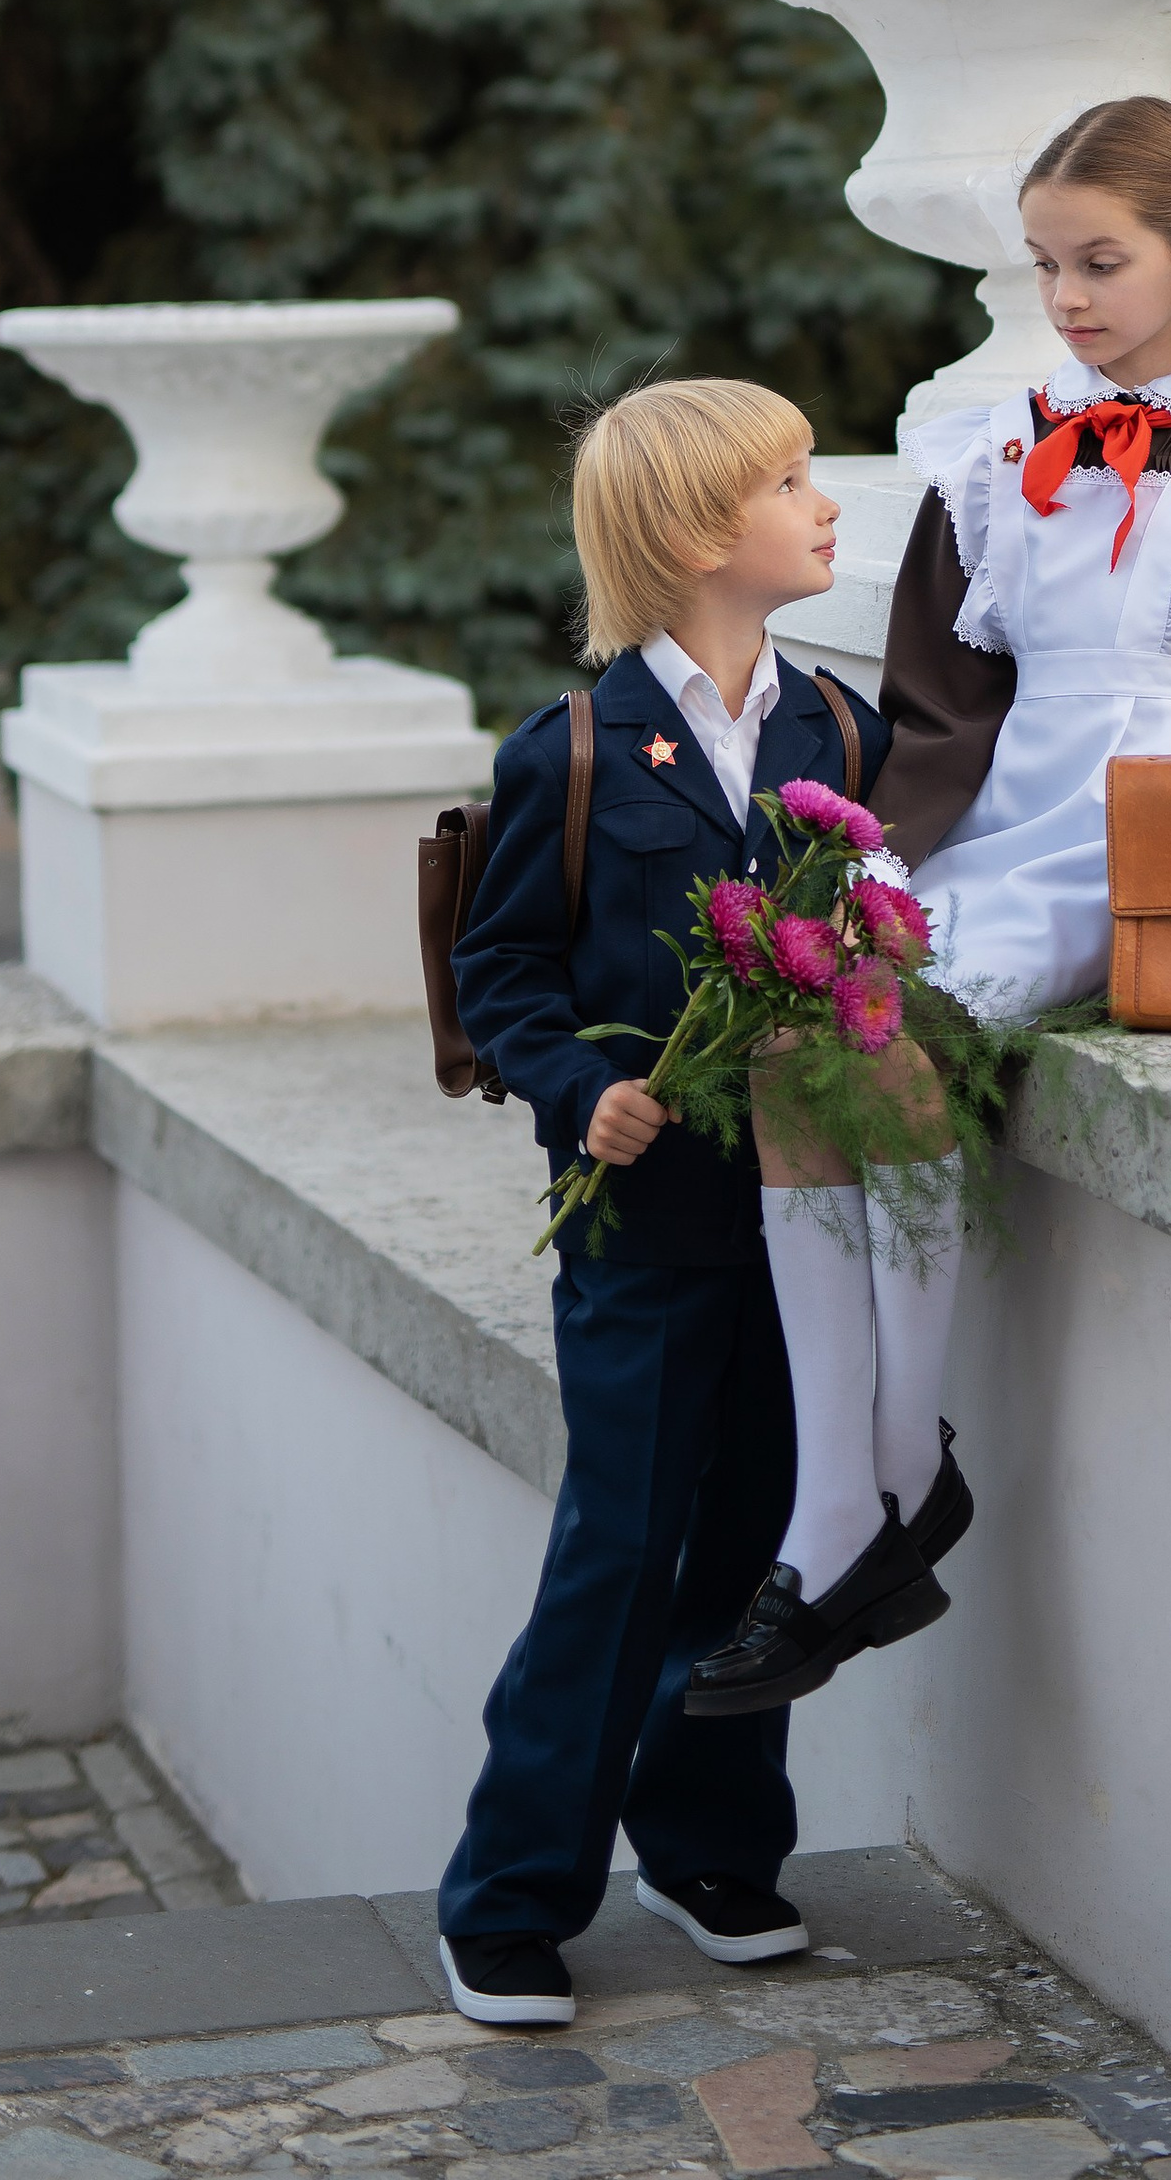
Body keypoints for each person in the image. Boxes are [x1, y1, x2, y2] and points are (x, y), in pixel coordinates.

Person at [692, 101, 1171, 1718]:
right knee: (797, 1047)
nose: (1067, 295)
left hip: (1149, 833)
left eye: (1102, 261)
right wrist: (878, 866)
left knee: (892, 1044)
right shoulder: (994, 462)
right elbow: (933, 707)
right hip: (987, 820)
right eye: (1047, 263)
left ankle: (888, 1480)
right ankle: (856, 1499)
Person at [436, 377, 892, 2029]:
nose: (826, 501)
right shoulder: (568, 751)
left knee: (759, 1539)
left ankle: (706, 1848)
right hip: (637, 1228)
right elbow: (500, 974)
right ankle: (509, 1893)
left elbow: (863, 927)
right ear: (705, 534)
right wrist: (578, 1091)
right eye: (791, 480)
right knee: (617, 1554)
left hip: (796, 1216)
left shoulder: (839, 734)